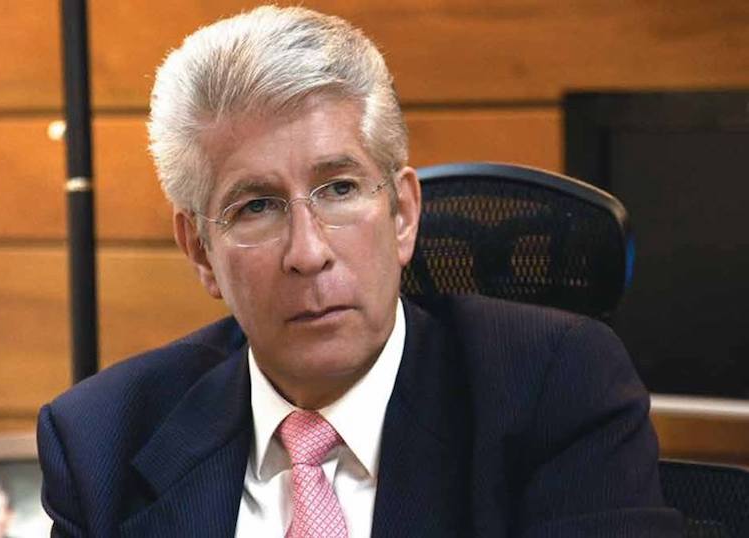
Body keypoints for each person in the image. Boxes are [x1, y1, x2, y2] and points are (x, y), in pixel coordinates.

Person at [37, 6, 683, 537]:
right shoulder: (101, 440)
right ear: (202, 250)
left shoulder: (555, 388)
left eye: (340, 189)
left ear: (403, 214)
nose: (308, 252)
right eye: (256, 206)